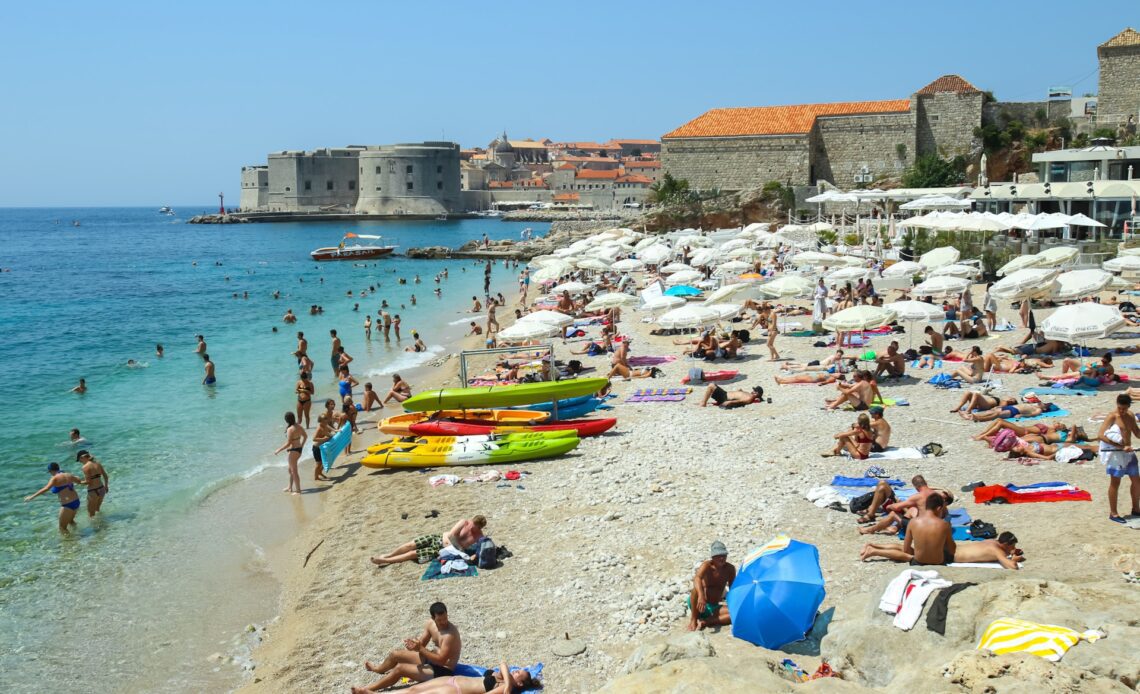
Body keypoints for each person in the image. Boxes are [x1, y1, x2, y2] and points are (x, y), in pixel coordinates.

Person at [353, 602, 462, 693]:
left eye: (445, 618)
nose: (444, 622)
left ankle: (367, 689)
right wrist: (414, 646)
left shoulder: (449, 635)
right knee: (395, 654)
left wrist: (420, 648)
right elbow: (422, 643)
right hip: (430, 659)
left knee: (400, 668)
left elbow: (442, 660)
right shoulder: (430, 624)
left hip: (443, 670)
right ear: (433, 618)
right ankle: (377, 669)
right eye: (440, 620)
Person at [860, 493, 955, 565]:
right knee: (908, 556)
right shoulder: (944, 525)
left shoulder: (913, 522)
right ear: (939, 509)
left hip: (918, 561)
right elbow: (952, 548)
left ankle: (873, 546)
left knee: (908, 551)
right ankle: (874, 551)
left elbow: (906, 547)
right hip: (935, 563)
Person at [370, 516, 487, 566]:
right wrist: (461, 548)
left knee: (413, 554)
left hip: (442, 550)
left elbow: (483, 548)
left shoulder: (478, 536)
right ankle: (390, 554)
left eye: (475, 526)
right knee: (411, 544)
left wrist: (468, 554)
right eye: (473, 524)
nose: (472, 527)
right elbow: (452, 535)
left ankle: (385, 560)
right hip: (438, 538)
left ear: (479, 527)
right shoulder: (464, 522)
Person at [1097, 393, 1140, 523]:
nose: (1122, 411)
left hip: (1129, 452)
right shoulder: (1112, 416)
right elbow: (1101, 435)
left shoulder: (1130, 415)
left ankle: (1136, 508)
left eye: (1125, 409)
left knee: (1137, 481)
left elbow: (1136, 432)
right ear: (1117, 404)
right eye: (1120, 408)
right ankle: (1113, 513)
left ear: (1128, 407)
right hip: (1116, 455)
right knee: (1115, 483)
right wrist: (1118, 445)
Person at [687, 541, 736, 631]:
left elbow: (733, 589)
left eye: (724, 555)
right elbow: (697, 578)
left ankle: (706, 622)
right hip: (698, 605)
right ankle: (693, 619)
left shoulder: (730, 569)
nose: (722, 558)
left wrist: (735, 604)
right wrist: (701, 596)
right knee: (695, 591)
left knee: (735, 614)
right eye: (718, 556)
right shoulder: (707, 565)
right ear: (713, 557)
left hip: (714, 607)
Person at [25, 462, 84, 534]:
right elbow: (79, 481)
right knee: (71, 521)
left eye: (50, 472)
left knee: (62, 528)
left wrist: (32, 497)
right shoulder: (68, 475)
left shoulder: (54, 478)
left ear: (51, 471)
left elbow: (46, 489)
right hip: (76, 502)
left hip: (67, 505)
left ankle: (70, 542)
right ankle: (79, 533)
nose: (50, 473)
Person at [274, 412, 306, 494]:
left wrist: (279, 449)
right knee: (290, 470)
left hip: (294, 451)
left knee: (294, 471)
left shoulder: (290, 429)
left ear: (286, 420)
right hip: (298, 450)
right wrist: (301, 445)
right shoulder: (299, 426)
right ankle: (290, 487)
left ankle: (298, 490)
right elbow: (305, 436)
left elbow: (288, 443)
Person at [77, 450, 108, 517]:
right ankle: (103, 524)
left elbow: (88, 482)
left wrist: (79, 482)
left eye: (80, 460)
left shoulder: (85, 467)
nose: (80, 462)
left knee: (91, 514)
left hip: (93, 491)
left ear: (82, 457)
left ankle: (96, 527)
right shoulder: (98, 464)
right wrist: (106, 486)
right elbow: (105, 476)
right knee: (97, 509)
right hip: (102, 489)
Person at [311, 409, 335, 481]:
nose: (326, 421)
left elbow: (330, 427)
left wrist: (335, 430)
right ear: (320, 421)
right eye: (324, 420)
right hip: (317, 448)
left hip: (322, 447)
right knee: (318, 464)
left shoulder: (325, 425)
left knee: (324, 462)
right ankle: (316, 477)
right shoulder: (320, 428)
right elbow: (314, 439)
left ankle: (319, 473)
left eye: (326, 419)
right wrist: (324, 439)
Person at [699, 383, 764, 408]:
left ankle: (703, 403)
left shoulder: (750, 397)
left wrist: (730, 402)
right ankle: (703, 402)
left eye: (754, 390)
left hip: (726, 398)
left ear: (756, 393)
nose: (752, 391)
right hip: (725, 395)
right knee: (713, 385)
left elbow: (741, 401)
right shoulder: (749, 395)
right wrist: (740, 391)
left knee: (711, 385)